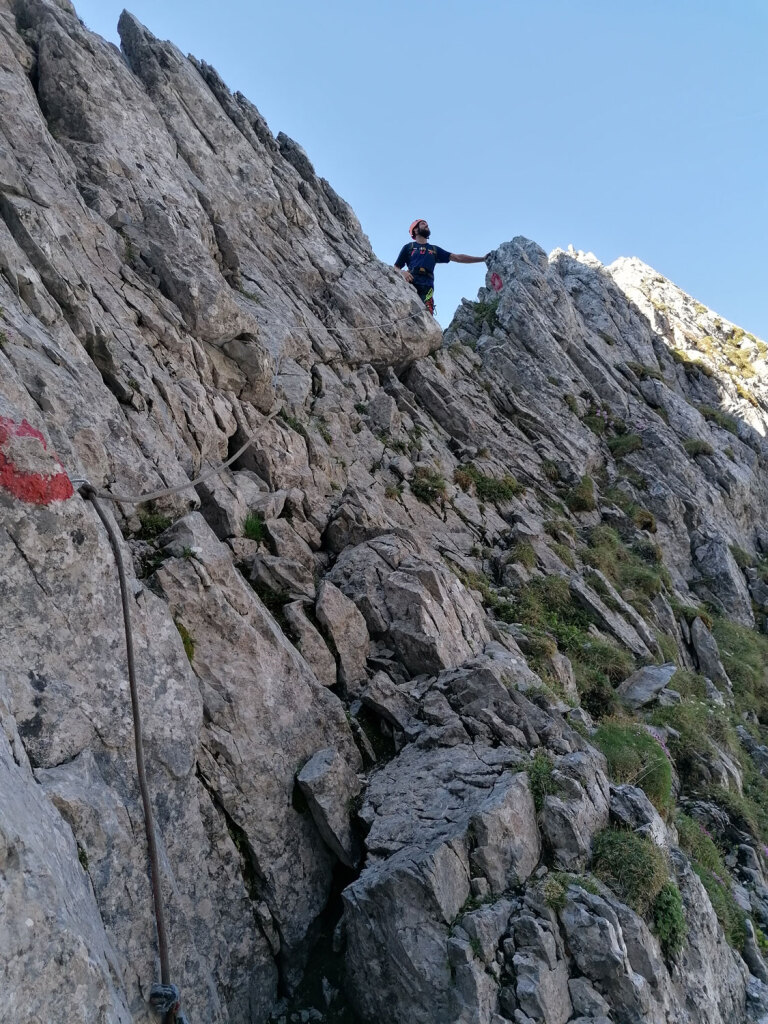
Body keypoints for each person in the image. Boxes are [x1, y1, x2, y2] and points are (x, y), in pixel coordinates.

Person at [394, 219, 487, 315]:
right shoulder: (409, 247)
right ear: (415, 230)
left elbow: (457, 257)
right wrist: (403, 273)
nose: (426, 225)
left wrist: (482, 259)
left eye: (427, 224)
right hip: (411, 282)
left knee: (425, 314)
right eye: (423, 224)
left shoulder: (434, 249)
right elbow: (396, 267)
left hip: (427, 286)